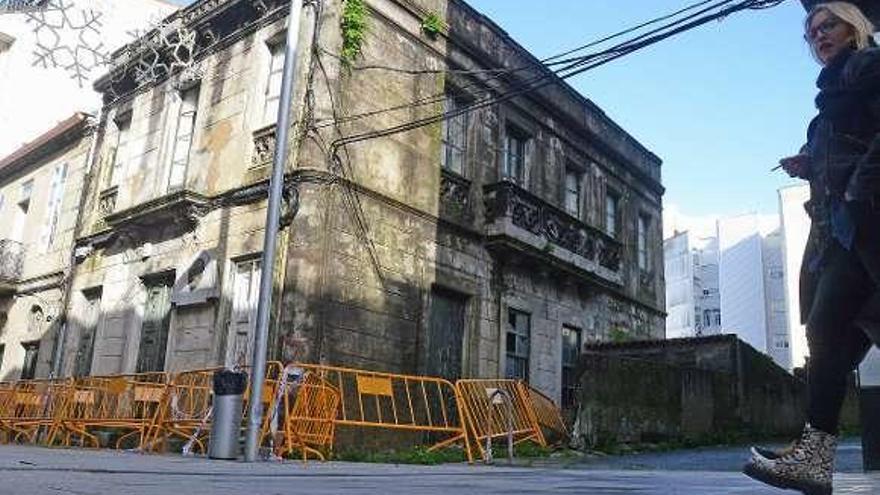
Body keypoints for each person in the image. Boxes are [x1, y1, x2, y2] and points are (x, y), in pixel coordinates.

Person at [742, 3, 880, 495]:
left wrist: (860, 191)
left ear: (854, 27)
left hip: (862, 226)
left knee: (826, 332)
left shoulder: (866, 65)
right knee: (833, 343)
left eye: (829, 26)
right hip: (842, 233)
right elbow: (851, 143)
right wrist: (810, 163)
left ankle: (813, 458)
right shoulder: (835, 90)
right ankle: (812, 456)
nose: (819, 36)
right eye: (812, 32)